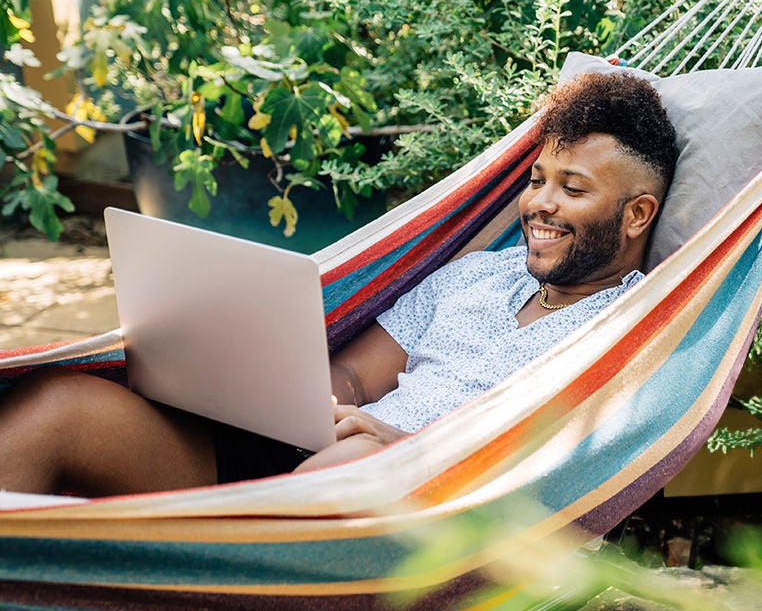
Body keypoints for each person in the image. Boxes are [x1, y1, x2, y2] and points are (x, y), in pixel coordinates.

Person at [0, 71, 679, 497]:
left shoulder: (630, 329)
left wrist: (393, 441)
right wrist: (278, 388)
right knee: (59, 408)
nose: (540, 205)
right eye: (536, 181)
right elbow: (354, 378)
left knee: (334, 475)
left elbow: (542, 460)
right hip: (310, 458)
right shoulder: (476, 274)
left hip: (402, 505)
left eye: (573, 188)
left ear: (637, 214)